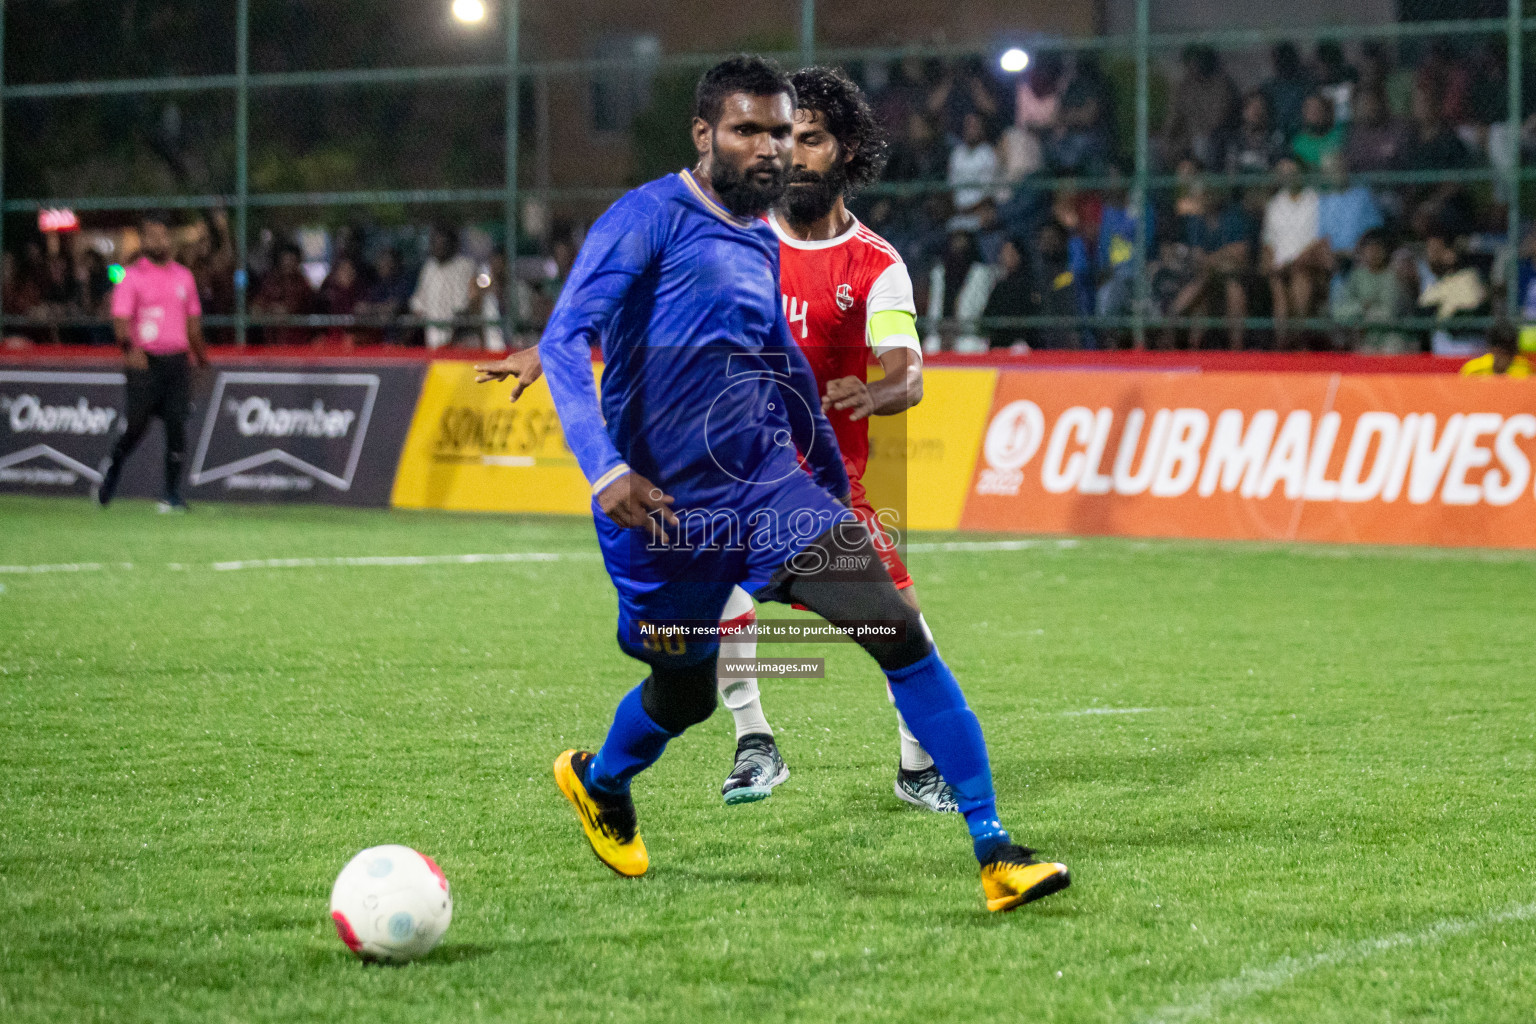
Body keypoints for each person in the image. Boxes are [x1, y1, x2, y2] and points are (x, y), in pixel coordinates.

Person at [473, 55, 1068, 911]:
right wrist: (604, 467)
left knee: (899, 630)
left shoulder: (759, 236)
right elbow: (568, 341)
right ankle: (602, 780)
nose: (771, 150)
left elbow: (777, 358)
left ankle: (994, 846)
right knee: (685, 693)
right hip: (663, 513)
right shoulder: (645, 218)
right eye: (750, 130)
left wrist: (821, 474)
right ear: (704, 133)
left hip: (764, 491)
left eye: (784, 133)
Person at [96, 211, 209, 511]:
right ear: (143, 240)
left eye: (161, 234)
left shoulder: (184, 276)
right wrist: (130, 349)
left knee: (176, 426)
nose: (157, 240)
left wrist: (201, 358)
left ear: (169, 237)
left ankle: (170, 495)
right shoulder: (132, 276)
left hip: (176, 361)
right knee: (136, 427)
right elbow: (120, 320)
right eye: (151, 235)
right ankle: (113, 468)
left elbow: (193, 324)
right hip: (145, 361)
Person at [1261, 157, 1326, 348]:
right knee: (1278, 288)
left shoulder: (1315, 200)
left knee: (1300, 278)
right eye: (1283, 174)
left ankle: (1300, 343)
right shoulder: (1274, 205)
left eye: (1292, 172)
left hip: (1307, 263)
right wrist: (1272, 264)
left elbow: (1319, 239)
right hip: (1280, 266)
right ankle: (1283, 347)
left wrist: (1299, 260)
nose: (1288, 177)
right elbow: (1268, 242)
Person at [1330, 227, 1409, 354]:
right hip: (1364, 338)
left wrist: (1362, 315)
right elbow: (1339, 312)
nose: (1373, 253)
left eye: (1378, 248)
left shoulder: (1392, 276)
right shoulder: (1356, 276)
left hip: (1391, 336)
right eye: (1369, 249)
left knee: (1392, 347)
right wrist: (1363, 307)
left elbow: (1388, 314)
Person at [409, 226, 475, 349]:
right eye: (435, 243)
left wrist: (454, 338)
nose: (438, 247)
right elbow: (418, 302)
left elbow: (464, 305)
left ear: (453, 244)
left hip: (458, 337)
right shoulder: (429, 267)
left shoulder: (464, 265)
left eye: (443, 243)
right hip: (431, 335)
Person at [1460, 321, 1532, 377]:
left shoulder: (1525, 370)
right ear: (1491, 349)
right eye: (1501, 353)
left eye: (1509, 354)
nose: (1505, 359)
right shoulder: (1473, 371)